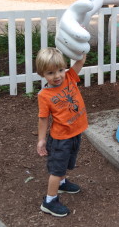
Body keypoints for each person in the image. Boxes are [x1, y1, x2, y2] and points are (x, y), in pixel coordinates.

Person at [36, 47, 88, 217]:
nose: (57, 75)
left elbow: (80, 60)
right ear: (42, 74)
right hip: (60, 139)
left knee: (66, 163)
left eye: (60, 70)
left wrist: (80, 40)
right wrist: (41, 140)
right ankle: (49, 201)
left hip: (74, 133)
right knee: (57, 170)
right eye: (51, 73)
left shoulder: (69, 77)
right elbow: (43, 119)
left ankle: (62, 183)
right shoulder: (44, 95)